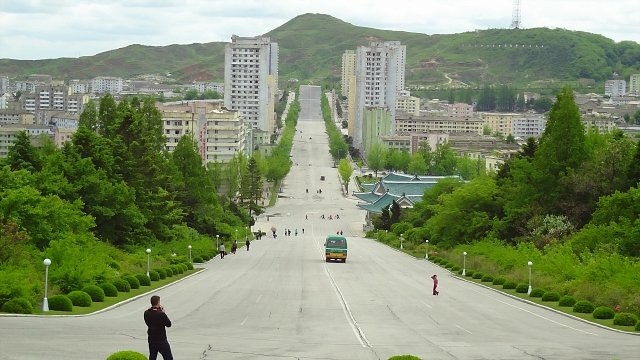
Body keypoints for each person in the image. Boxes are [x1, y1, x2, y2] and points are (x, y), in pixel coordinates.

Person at [144, 295, 173, 360]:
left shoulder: (146, 313)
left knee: (152, 356)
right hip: (161, 340)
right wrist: (163, 313)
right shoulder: (161, 314)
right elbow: (168, 324)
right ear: (158, 302)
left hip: (151, 339)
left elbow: (147, 322)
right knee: (168, 357)